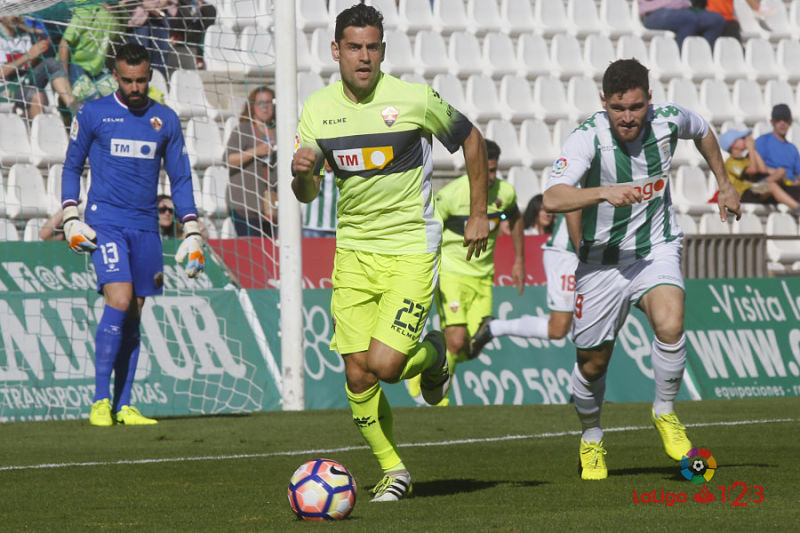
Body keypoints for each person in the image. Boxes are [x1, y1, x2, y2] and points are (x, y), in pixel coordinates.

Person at [292, 4, 488, 502]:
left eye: (372, 47)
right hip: (353, 252)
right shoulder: (316, 110)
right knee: (356, 373)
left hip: (408, 249)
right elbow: (308, 196)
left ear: (383, 50)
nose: (364, 57)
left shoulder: (414, 100)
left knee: (386, 366)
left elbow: (472, 140)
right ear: (336, 50)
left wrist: (479, 212)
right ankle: (394, 470)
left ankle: (437, 352)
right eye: (354, 47)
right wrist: (303, 173)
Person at [542, 58, 740, 480]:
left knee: (670, 323)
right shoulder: (587, 138)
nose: (627, 117)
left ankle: (665, 413)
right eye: (618, 108)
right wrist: (602, 193)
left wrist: (724, 183)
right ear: (604, 103)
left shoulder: (669, 120)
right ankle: (592, 437)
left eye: (635, 107)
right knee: (592, 364)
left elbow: (702, 130)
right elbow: (553, 199)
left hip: (655, 249)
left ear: (650, 100)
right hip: (600, 264)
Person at [60, 43, 205, 426]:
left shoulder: (165, 120)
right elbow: (72, 166)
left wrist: (191, 230)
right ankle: (98, 400)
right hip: (105, 220)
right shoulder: (94, 113)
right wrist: (70, 215)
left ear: (151, 75)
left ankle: (124, 404)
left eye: (141, 80)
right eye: (127, 80)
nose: (135, 87)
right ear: (115, 75)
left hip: (146, 226)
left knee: (135, 313)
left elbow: (180, 177)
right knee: (120, 299)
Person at [407, 139, 524, 406]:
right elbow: (428, 227)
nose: (490, 176)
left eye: (494, 170)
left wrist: (520, 261)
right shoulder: (452, 195)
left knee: (469, 348)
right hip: (452, 274)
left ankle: (427, 363)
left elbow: (515, 220)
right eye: (486, 169)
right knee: (457, 340)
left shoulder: (505, 194)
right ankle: (434, 395)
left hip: (483, 278)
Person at [470, 211, 579, 354]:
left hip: (608, 255)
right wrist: (583, 251)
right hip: (569, 253)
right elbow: (561, 203)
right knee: (558, 329)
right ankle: (493, 327)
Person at [0, 15, 79, 119]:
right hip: (5, 87)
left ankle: (74, 107)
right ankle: (39, 131)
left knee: (51, 63)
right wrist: (28, 55)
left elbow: (28, 66)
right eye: (15, 15)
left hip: (24, 81)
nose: (21, 19)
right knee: (36, 96)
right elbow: (1, 73)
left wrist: (38, 52)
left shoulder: (24, 35)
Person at [226, 86, 277, 237]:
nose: (265, 107)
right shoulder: (243, 129)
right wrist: (256, 151)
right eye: (260, 103)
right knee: (253, 252)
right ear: (252, 106)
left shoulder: (279, 131)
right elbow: (228, 160)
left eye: (269, 103)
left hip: (272, 206)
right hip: (245, 205)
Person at [720, 129, 800, 213]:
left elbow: (763, 169)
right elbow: (753, 170)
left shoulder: (746, 159)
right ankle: (797, 209)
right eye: (743, 138)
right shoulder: (730, 163)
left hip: (757, 190)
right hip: (744, 194)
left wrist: (753, 150)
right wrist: (751, 149)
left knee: (782, 171)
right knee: (771, 186)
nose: (746, 140)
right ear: (733, 144)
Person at [57, 1, 120, 103]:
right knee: (91, 97)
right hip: (74, 66)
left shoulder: (118, 15)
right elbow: (64, 44)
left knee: (117, 95)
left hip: (96, 69)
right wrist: (64, 77)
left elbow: (114, 43)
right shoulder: (87, 10)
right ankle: (66, 110)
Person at [638, 0, 726, 50]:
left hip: (683, 9)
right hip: (654, 12)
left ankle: (704, 56)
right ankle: (680, 56)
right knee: (688, 18)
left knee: (716, 20)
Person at [755, 104, 800, 185]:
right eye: (778, 120)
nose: (782, 123)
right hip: (770, 185)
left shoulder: (792, 149)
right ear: (772, 122)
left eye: (785, 120)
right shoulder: (763, 141)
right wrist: (776, 173)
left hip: (791, 186)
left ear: (791, 122)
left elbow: (798, 173)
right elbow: (753, 165)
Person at [302, 160, 338, 238]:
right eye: (326, 159)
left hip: (335, 228)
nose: (328, 162)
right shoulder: (316, 172)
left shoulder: (341, 174)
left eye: (330, 159)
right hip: (312, 227)